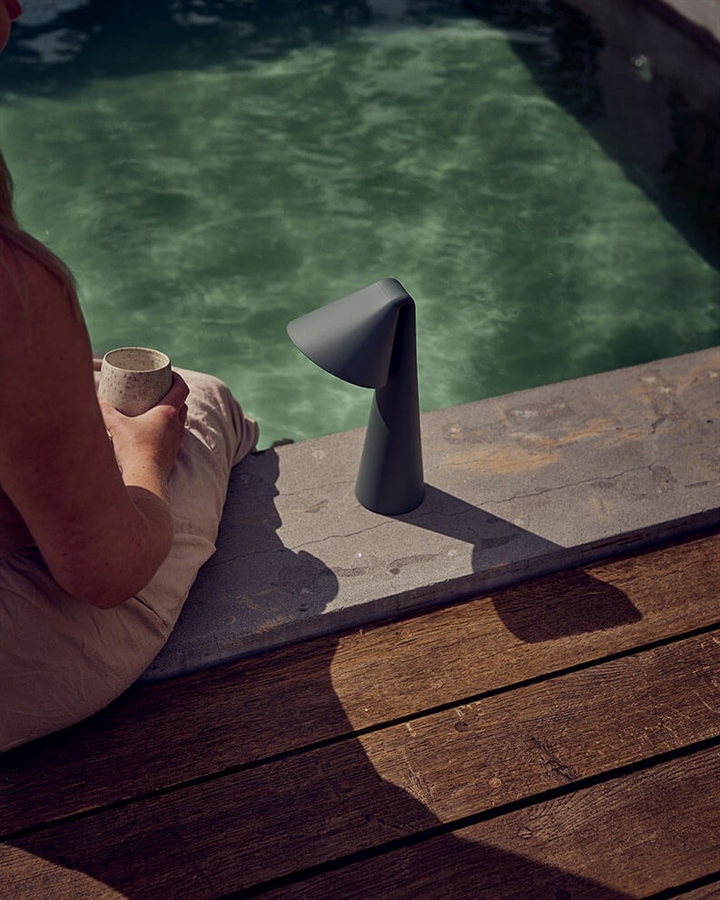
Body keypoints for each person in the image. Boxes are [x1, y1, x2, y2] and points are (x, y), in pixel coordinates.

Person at [0, 0, 258, 751]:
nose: (17, 2)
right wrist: (147, 451)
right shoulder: (14, 291)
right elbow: (106, 573)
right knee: (204, 400)